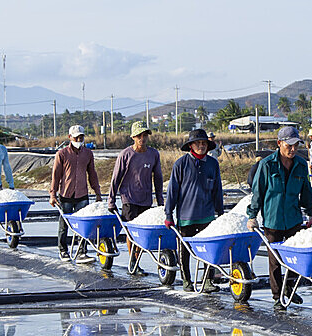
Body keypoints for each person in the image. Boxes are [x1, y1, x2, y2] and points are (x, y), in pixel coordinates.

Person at [247, 125, 312, 308]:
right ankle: (278, 297)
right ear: (279, 144)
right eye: (289, 146)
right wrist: (251, 215)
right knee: (275, 261)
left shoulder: (301, 165)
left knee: (295, 258)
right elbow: (258, 193)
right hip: (273, 220)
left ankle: (290, 287)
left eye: (296, 146)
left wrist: (311, 214)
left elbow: (306, 192)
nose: (293, 150)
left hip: (294, 219)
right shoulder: (267, 165)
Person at [164, 129, 224, 292]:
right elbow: (172, 191)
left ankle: (207, 281)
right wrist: (169, 214)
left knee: (209, 250)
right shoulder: (181, 164)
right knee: (184, 251)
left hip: (207, 216)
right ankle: (187, 281)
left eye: (204, 143)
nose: (201, 146)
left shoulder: (212, 164)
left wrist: (220, 212)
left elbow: (217, 189)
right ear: (191, 145)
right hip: (186, 216)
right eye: (197, 143)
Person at [108, 120, 165, 259]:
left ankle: (137, 257)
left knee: (142, 232)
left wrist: (160, 200)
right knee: (131, 231)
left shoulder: (153, 154)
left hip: (145, 198)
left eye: (145, 135)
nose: (142, 138)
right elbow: (116, 178)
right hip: (129, 198)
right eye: (139, 136)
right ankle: (133, 260)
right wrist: (111, 200)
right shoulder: (125, 155)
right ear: (133, 137)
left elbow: (158, 178)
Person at [50, 124, 104, 261]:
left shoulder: (88, 154)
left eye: (81, 137)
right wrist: (53, 194)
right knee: (64, 225)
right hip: (66, 194)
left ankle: (81, 252)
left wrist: (97, 192)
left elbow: (92, 174)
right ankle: (63, 250)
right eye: (76, 137)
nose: (79, 140)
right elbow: (56, 176)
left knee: (83, 225)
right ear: (70, 137)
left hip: (82, 194)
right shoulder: (62, 154)